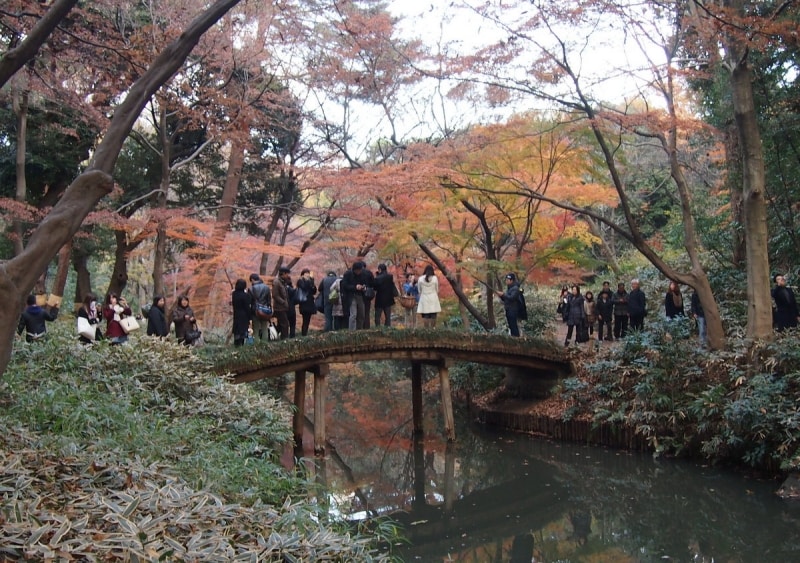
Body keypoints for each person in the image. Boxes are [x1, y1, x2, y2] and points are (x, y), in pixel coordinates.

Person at [342, 261, 370, 330]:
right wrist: (355, 287)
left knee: (362, 314)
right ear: (354, 269)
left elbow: (366, 283)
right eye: (358, 270)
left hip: (360, 295)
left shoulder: (363, 274)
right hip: (351, 296)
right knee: (353, 314)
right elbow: (344, 285)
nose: (359, 272)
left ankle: (359, 329)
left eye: (360, 270)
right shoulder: (348, 274)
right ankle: (352, 331)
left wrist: (364, 287)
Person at [496, 272, 522, 337]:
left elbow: (512, 298)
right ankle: (513, 337)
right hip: (508, 309)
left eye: (508, 280)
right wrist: (501, 296)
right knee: (510, 324)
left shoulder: (515, 288)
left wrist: (503, 294)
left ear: (511, 280)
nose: (506, 281)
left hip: (513, 309)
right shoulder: (510, 288)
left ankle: (516, 338)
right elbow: (506, 299)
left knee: (513, 325)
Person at [249, 273, 272, 341]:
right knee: (264, 327)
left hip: (255, 310)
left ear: (252, 280)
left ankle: (256, 345)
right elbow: (269, 300)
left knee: (255, 329)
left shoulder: (251, 289)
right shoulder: (266, 287)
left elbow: (250, 301)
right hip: (264, 310)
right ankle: (265, 343)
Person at [373, 263, 396, 327]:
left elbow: (375, 288)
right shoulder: (390, 276)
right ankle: (387, 328)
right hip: (389, 298)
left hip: (380, 299)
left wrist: (377, 276)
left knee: (377, 316)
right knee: (388, 316)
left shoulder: (378, 278)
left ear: (379, 269)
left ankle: (378, 328)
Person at [296, 268, 318, 336]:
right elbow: (304, 287)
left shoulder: (310, 281)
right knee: (305, 320)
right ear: (302, 275)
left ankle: (305, 333)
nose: (308, 276)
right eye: (306, 274)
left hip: (310, 303)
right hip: (304, 303)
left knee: (307, 320)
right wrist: (309, 281)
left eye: (308, 274)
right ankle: (303, 334)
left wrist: (313, 284)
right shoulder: (300, 281)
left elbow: (314, 291)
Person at [231, 278, 253, 346]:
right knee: (243, 331)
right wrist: (250, 317)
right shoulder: (245, 295)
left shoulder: (234, 294)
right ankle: (241, 344)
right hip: (244, 315)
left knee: (237, 330)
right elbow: (247, 306)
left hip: (236, 314)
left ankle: (236, 344)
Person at [272, 267, 291, 339]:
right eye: (287, 274)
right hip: (279, 307)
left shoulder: (283, 282)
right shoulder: (276, 282)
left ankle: (274, 336)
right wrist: (283, 302)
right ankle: (284, 339)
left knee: (280, 324)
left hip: (283, 307)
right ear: (283, 273)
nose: (287, 276)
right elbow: (275, 295)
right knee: (285, 324)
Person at [362, 262, 376, 329]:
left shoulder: (358, 273)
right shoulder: (369, 273)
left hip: (360, 294)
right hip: (368, 294)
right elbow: (373, 283)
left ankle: (360, 327)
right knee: (367, 311)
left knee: (360, 312)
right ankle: (367, 327)